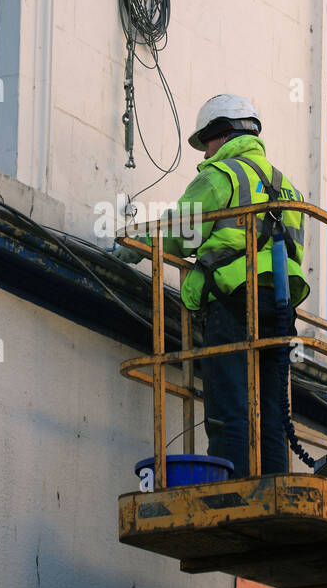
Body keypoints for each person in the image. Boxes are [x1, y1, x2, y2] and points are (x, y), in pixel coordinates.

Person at [115, 94, 310, 476]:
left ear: (222, 134)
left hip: (236, 300)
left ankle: (234, 490)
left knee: (228, 407)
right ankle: (272, 486)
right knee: (272, 414)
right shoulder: (288, 189)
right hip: (282, 307)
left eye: (206, 142)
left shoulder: (221, 175)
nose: (204, 154)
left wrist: (138, 244)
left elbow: (181, 231)